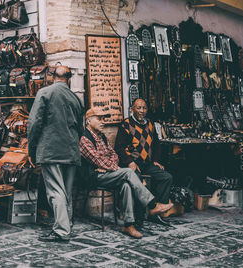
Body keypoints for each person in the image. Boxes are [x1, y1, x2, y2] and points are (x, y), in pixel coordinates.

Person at [80, 108, 173, 239]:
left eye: (104, 119)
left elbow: (114, 156)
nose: (103, 122)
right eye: (99, 119)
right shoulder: (85, 139)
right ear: (88, 121)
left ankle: (128, 225)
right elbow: (98, 160)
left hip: (106, 173)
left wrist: (106, 167)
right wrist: (107, 166)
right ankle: (152, 205)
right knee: (128, 172)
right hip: (94, 177)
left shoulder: (102, 137)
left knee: (126, 185)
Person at [27, 66, 83, 242]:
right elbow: (81, 128)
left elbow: (34, 123)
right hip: (71, 149)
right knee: (66, 191)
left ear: (52, 77)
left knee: (55, 190)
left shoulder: (45, 92)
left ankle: (61, 230)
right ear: (69, 78)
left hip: (51, 149)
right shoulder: (76, 98)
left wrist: (31, 149)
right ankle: (67, 224)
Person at [115, 98, 173, 207]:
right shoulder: (126, 124)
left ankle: (159, 208)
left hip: (147, 164)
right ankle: (139, 212)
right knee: (138, 181)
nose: (142, 111)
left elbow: (156, 144)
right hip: (132, 165)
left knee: (166, 177)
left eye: (144, 108)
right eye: (139, 108)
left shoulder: (150, 124)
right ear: (132, 110)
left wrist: (155, 160)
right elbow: (118, 148)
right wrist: (129, 162)